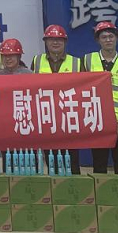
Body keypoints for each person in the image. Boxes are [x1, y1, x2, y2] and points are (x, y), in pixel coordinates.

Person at [84, 21, 118, 175]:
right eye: (104, 37)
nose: (108, 40)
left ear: (116, 38)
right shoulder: (87, 60)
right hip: (97, 121)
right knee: (99, 164)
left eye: (111, 36)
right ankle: (100, 190)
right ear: (98, 40)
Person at [33, 25, 82, 175]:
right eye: (51, 39)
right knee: (51, 159)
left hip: (69, 117)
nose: (55, 42)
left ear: (65, 42)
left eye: (59, 39)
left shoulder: (76, 62)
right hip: (47, 117)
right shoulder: (37, 61)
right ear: (45, 42)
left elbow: (84, 89)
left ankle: (74, 187)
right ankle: (55, 185)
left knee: (72, 160)